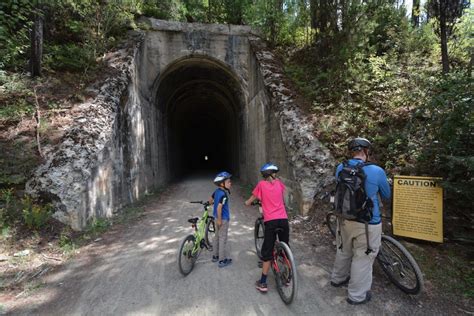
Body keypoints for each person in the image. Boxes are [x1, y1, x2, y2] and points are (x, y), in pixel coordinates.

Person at [330, 137, 391, 305]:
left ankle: (337, 279)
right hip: (368, 223)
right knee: (362, 258)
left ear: (352, 151)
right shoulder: (377, 171)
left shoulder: (341, 167)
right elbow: (386, 195)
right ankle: (357, 296)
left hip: (343, 219)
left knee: (343, 250)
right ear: (367, 151)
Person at [245, 163, 289, 293]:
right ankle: (287, 276)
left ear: (264, 175)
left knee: (267, 252)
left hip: (271, 221)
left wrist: (247, 203)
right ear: (272, 174)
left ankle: (263, 283)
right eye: (275, 173)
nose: (276, 175)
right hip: (284, 220)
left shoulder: (261, 185)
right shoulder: (279, 183)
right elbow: (281, 193)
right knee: (284, 248)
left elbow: (253, 198)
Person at [211, 171, 233, 268]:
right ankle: (222, 260)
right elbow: (219, 207)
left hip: (216, 217)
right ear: (222, 184)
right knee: (222, 238)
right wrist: (220, 220)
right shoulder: (224, 195)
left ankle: (215, 256)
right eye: (228, 182)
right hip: (222, 219)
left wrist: (211, 203)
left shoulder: (216, 192)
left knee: (217, 237)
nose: (230, 183)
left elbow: (210, 199)